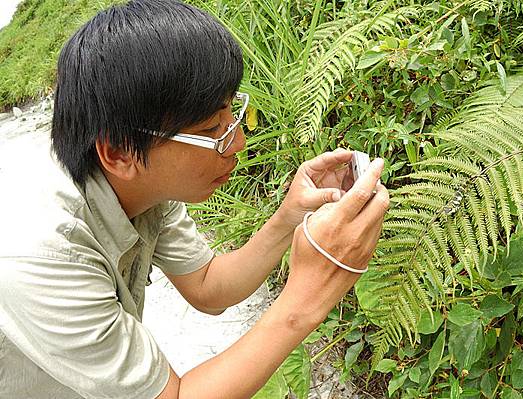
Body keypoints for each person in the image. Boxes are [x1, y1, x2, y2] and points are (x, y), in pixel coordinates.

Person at [0, 0, 389, 398]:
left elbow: (208, 287)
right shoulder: (41, 253)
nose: (237, 142)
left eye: (231, 115)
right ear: (119, 153)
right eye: (210, 130)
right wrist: (308, 295)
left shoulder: (138, 183)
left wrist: (290, 215)